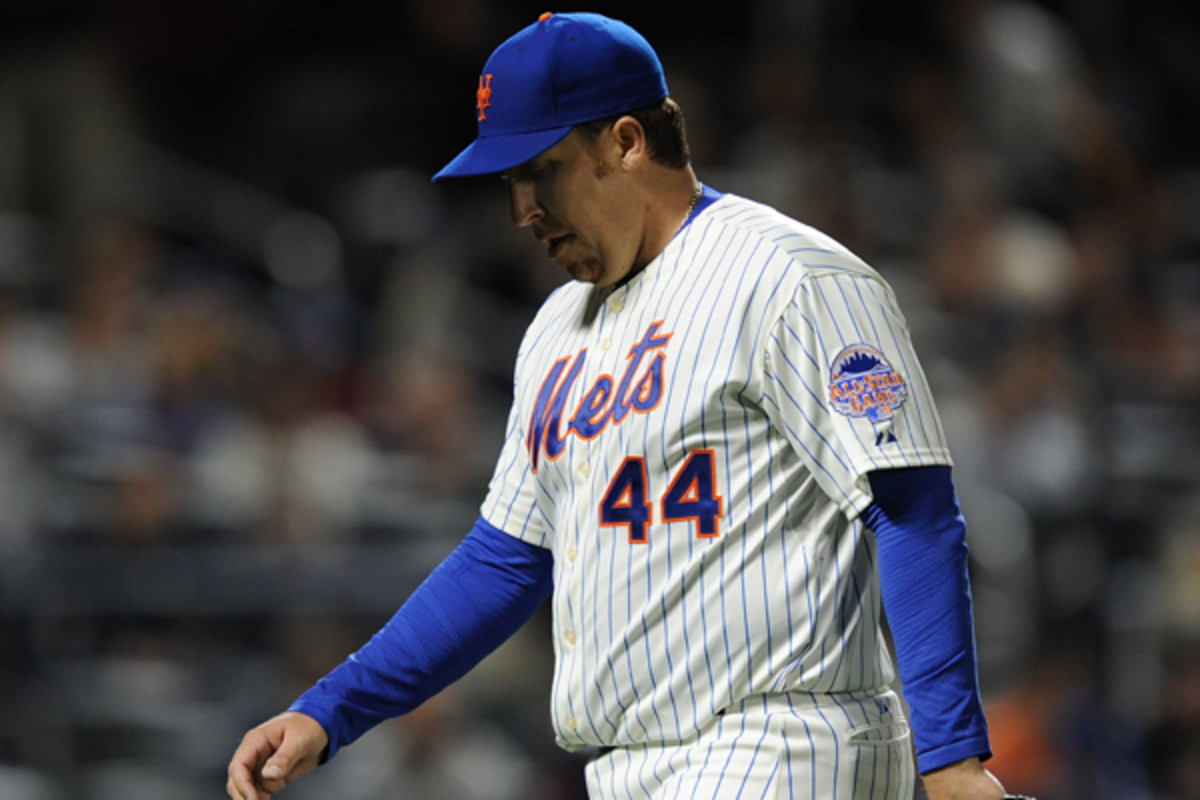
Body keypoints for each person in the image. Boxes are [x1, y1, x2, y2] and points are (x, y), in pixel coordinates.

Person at [227, 12, 1023, 800]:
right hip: (628, 766)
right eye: (510, 182)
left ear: (626, 143)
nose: (521, 209)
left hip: (782, 742)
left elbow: (911, 506)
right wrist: (330, 710)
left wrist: (951, 759)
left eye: (540, 170)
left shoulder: (789, 277)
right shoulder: (554, 330)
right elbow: (505, 560)